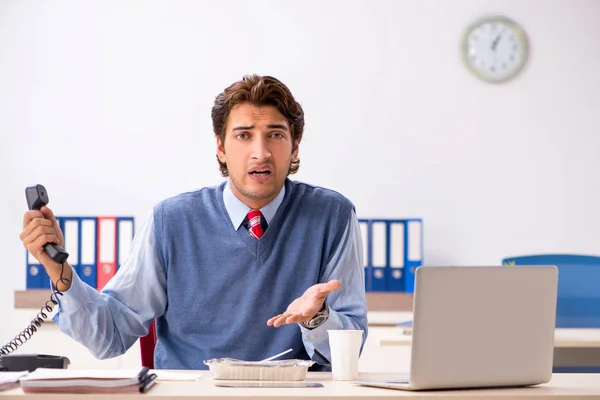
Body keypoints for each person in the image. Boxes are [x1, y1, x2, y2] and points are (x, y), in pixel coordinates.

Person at [19, 74, 368, 370]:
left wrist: (317, 317)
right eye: (243, 135)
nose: (260, 152)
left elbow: (349, 350)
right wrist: (58, 272)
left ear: (294, 147)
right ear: (220, 147)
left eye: (275, 135)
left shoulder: (332, 215)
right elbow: (108, 337)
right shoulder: (171, 221)